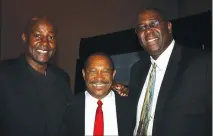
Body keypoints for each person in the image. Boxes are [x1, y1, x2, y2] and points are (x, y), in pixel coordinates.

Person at [128, 8, 212, 136]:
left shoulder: (203, 63)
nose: (148, 31)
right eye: (141, 28)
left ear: (168, 26)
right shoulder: (137, 70)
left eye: (154, 24)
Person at [0, 17, 73, 136]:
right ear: (25, 38)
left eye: (50, 37)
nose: (45, 43)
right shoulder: (4, 74)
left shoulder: (62, 78)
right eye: (38, 35)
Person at [62, 52, 136, 136]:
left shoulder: (131, 106)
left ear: (113, 74)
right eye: (93, 71)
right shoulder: (68, 107)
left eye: (105, 71)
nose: (99, 78)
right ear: (84, 74)